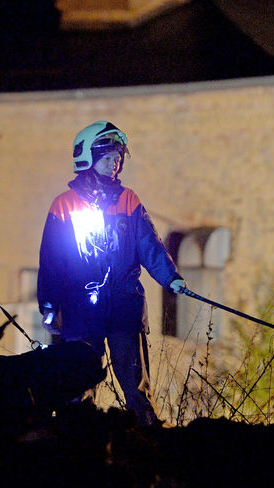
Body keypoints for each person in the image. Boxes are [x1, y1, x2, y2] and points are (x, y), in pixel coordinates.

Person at [37, 121, 184, 426]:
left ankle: (149, 441)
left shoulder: (128, 200)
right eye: (107, 157)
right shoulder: (63, 206)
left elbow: (148, 244)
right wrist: (49, 306)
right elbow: (51, 262)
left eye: (118, 158)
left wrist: (170, 277)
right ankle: (77, 447)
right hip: (79, 311)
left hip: (124, 308)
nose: (114, 163)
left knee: (136, 388)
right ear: (87, 159)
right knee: (77, 389)